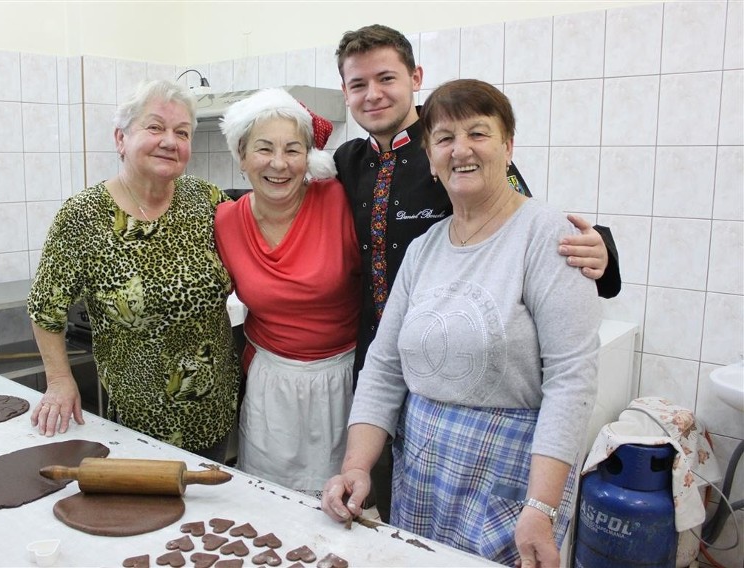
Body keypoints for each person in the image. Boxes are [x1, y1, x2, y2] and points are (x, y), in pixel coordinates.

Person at [331, 23, 621, 521]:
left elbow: (523, 219)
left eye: (386, 79)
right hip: (392, 362)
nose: (373, 95)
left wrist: (604, 253)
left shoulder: (454, 149)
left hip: (482, 360)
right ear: (345, 93)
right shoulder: (349, 160)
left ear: (415, 77)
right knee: (389, 507)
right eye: (358, 85)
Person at [27, 79, 239, 461]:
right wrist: (59, 381)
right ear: (121, 139)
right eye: (155, 127)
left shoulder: (208, 201)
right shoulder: (83, 216)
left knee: (209, 516)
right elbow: (45, 308)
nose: (170, 141)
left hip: (215, 412)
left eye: (182, 132)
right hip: (136, 426)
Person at [214, 88, 361, 495]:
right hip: (270, 387)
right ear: (241, 157)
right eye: (264, 149)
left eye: (292, 150)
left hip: (344, 382)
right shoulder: (225, 221)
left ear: (309, 158)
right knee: (268, 504)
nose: (279, 164)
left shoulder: (341, 200)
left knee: (343, 507)